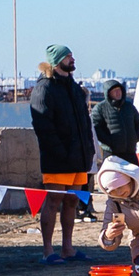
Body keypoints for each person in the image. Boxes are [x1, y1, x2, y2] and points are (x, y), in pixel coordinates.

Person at [27, 44, 95, 264]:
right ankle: (48, 250)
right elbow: (43, 126)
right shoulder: (44, 88)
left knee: (72, 202)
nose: (72, 59)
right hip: (58, 159)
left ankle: (68, 248)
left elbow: (84, 121)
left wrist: (89, 150)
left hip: (78, 158)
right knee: (54, 200)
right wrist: (60, 152)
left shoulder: (74, 88)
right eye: (68, 56)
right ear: (57, 61)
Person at [91, 77, 139, 163]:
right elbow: (96, 128)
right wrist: (110, 142)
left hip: (130, 152)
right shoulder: (100, 108)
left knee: (134, 175)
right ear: (108, 93)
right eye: (114, 91)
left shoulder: (129, 106)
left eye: (119, 90)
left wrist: (135, 138)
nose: (118, 93)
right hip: (112, 153)